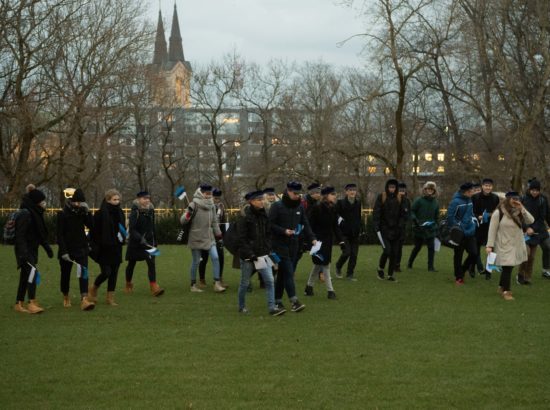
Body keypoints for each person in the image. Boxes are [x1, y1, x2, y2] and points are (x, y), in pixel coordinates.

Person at [237, 190, 286, 316]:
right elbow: (241, 238)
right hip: (249, 257)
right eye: (259, 200)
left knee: (269, 281)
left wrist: (268, 248)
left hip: (263, 254)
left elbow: (268, 233)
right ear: (252, 201)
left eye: (262, 199)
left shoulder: (265, 215)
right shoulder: (244, 216)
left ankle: (272, 307)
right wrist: (250, 254)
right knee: (245, 283)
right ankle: (241, 306)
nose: (262, 202)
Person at [269, 181, 315, 312]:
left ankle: (277, 301)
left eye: (299, 193)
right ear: (288, 191)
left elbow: (305, 223)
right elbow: (270, 225)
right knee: (289, 272)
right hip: (279, 245)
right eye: (294, 193)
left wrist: (312, 239)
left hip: (293, 245)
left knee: (283, 274)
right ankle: (294, 301)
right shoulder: (277, 207)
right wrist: (283, 231)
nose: (297, 196)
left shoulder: (299, 207)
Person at [486, 192, 534, 300]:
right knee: (507, 268)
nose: (515, 200)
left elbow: (531, 220)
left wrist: (522, 208)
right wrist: (489, 245)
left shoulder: (519, 211)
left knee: (509, 267)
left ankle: (500, 286)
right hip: (503, 244)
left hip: (516, 244)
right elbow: (492, 230)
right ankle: (506, 292)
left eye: (517, 198)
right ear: (508, 199)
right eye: (513, 198)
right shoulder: (499, 212)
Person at [13, 185, 54, 313]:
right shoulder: (26, 214)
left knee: (25, 276)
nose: (44, 204)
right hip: (24, 251)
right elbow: (20, 235)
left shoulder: (36, 214)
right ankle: (31, 302)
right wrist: (23, 253)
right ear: (37, 203)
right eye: (42, 202)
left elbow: (39, 234)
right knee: (32, 272)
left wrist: (47, 248)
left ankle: (18, 303)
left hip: (31, 250)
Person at [181, 184, 225, 293]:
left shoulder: (212, 206)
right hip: (196, 237)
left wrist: (218, 235)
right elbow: (183, 220)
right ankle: (193, 285)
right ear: (201, 193)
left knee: (215, 257)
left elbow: (214, 221)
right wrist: (187, 215)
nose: (208, 195)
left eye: (210, 193)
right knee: (196, 261)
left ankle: (217, 283)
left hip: (209, 237)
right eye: (206, 193)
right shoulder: (193, 204)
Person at [57, 188, 95, 310]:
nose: (78, 204)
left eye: (80, 202)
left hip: (81, 248)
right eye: (76, 202)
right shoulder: (62, 214)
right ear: (70, 201)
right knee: (65, 274)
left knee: (84, 273)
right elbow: (60, 235)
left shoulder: (82, 212)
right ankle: (66, 295)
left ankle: (84, 298)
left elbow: (92, 226)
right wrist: (63, 251)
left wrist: (88, 212)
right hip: (67, 250)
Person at [304, 186, 345, 299]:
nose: (335, 196)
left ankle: (309, 287)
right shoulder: (316, 208)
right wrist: (310, 241)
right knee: (325, 264)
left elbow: (335, 226)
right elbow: (309, 225)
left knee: (318, 264)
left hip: (327, 241)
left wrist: (341, 240)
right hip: (317, 241)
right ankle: (330, 291)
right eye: (333, 194)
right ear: (326, 196)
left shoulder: (333, 208)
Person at [89, 189, 126, 306]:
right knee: (106, 272)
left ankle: (110, 297)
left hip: (117, 247)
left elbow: (122, 228)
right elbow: (94, 232)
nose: (117, 202)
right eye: (114, 199)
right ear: (108, 199)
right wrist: (100, 243)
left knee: (114, 273)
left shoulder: (120, 212)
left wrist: (123, 235)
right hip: (104, 248)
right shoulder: (100, 214)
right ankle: (94, 288)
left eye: (118, 199)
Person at [124, 191, 164, 297]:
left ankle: (154, 286)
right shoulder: (135, 211)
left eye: (148, 198)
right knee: (131, 264)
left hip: (149, 242)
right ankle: (128, 283)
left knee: (151, 263)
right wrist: (139, 238)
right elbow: (132, 229)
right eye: (144, 198)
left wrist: (155, 241)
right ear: (138, 200)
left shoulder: (151, 210)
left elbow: (152, 227)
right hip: (136, 243)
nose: (147, 200)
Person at [373, 179, 406, 282]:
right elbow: (376, 212)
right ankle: (380, 268)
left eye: (394, 187)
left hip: (396, 230)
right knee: (387, 251)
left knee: (394, 253)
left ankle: (390, 275)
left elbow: (403, 214)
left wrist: (400, 225)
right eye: (390, 187)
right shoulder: (381, 197)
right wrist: (377, 226)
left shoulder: (400, 198)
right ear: (387, 187)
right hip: (384, 230)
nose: (392, 189)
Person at [518, 178, 550, 284]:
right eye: (533, 190)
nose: (535, 192)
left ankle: (527, 277)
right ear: (529, 189)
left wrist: (533, 228)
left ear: (539, 190)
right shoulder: (523, 199)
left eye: (537, 190)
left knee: (531, 257)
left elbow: (542, 217)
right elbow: (519, 216)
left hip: (536, 232)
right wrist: (526, 228)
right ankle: (520, 275)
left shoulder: (542, 200)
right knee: (525, 254)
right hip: (524, 232)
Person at [447, 182, 478, 285]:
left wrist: (473, 223)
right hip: (458, 234)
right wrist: (459, 229)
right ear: (466, 192)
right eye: (472, 191)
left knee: (474, 253)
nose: (473, 192)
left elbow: (471, 214)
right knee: (458, 255)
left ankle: (463, 269)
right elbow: (450, 218)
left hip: (470, 233)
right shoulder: (455, 202)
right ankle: (458, 277)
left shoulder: (470, 200)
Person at [471, 178, 500, 279]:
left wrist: (492, 214)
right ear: (482, 186)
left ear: (492, 187)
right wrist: (478, 216)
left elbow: (498, 211)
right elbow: (471, 211)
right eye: (486, 186)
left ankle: (488, 272)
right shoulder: (475, 197)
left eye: (490, 186)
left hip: (490, 227)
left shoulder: (495, 198)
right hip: (477, 227)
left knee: (491, 249)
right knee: (475, 249)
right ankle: (472, 269)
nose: (488, 187)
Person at [198, 188, 227, 288]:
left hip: (218, 235)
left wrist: (223, 234)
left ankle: (219, 278)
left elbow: (223, 220)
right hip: (205, 235)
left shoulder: (222, 206)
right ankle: (202, 279)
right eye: (215, 198)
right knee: (204, 257)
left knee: (220, 257)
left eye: (218, 199)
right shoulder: (205, 205)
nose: (216, 200)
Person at [407, 181, 439, 272]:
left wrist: (436, 225)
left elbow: (436, 216)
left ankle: (430, 267)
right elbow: (412, 211)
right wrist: (415, 220)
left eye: (431, 189)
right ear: (425, 190)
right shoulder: (419, 200)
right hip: (419, 228)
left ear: (434, 191)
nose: (430, 191)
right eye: (428, 189)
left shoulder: (436, 202)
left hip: (430, 228)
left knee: (431, 248)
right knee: (417, 247)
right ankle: (410, 263)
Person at [335, 183, 362, 281]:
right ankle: (338, 266)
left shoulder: (358, 203)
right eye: (350, 190)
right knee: (346, 252)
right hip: (344, 233)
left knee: (354, 255)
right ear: (346, 192)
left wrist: (360, 228)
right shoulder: (340, 203)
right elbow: (335, 215)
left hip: (355, 233)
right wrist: (340, 220)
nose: (352, 192)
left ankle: (350, 274)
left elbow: (359, 217)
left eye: (354, 190)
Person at [395, 182, 411, 272]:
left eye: (403, 190)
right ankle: (392, 263)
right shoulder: (393, 200)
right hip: (393, 228)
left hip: (402, 228)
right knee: (393, 247)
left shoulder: (407, 201)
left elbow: (408, 214)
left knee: (400, 248)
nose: (401, 192)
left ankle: (397, 265)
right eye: (400, 190)